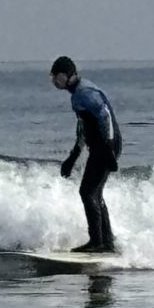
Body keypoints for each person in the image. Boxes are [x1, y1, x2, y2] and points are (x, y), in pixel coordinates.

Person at [50, 56, 122, 253]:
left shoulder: (85, 92)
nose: (54, 81)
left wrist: (109, 148)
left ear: (66, 75)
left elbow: (105, 116)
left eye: (56, 76)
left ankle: (97, 242)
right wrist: (73, 157)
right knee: (95, 193)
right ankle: (107, 241)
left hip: (105, 146)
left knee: (87, 192)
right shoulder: (77, 94)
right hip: (102, 146)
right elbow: (84, 128)